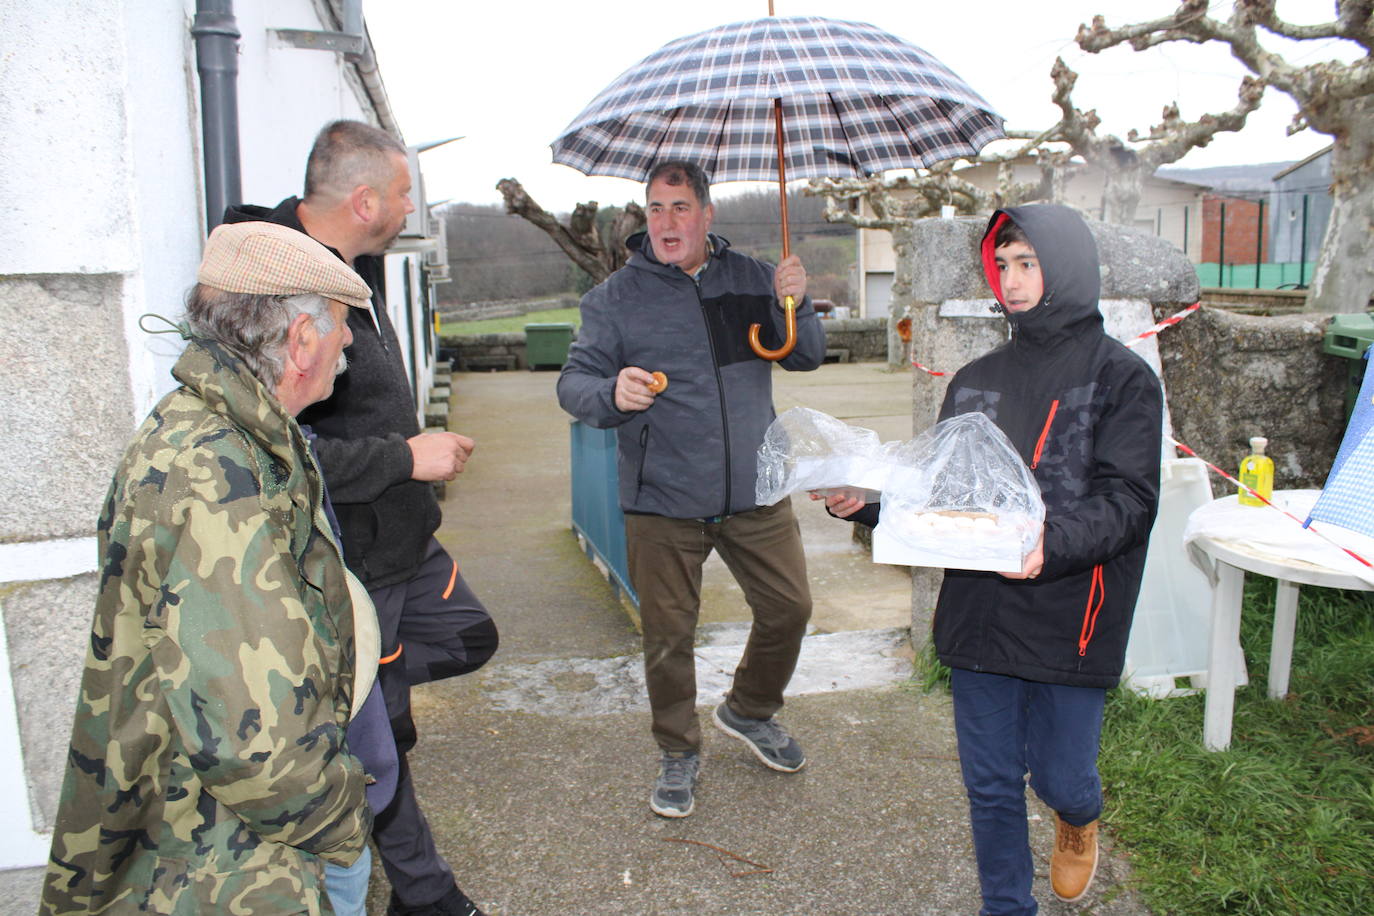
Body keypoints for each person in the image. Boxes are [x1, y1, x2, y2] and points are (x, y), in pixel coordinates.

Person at [826, 204, 1162, 915]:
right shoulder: (974, 379)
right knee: (989, 781)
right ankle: (1007, 906)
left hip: (1072, 614)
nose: (1011, 280)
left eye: (1028, 262)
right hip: (979, 614)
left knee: (1061, 778)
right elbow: (940, 495)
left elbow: (1130, 500)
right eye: (1002, 264)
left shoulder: (1123, 378)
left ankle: (1078, 815)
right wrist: (871, 504)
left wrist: (1050, 544)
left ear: (1066, 265)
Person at [41, 221, 379, 914]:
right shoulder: (215, 474)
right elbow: (258, 751)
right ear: (302, 340)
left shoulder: (222, 431)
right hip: (230, 864)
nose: (348, 341)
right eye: (342, 324)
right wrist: (342, 817)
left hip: (212, 836)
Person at [225, 120, 498, 916]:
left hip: (403, 546)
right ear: (365, 198)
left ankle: (353, 710)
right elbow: (276, 450)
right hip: (351, 561)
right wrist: (406, 459)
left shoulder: (349, 263)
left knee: (466, 638)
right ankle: (424, 893)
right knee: (379, 744)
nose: (413, 205)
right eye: (405, 192)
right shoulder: (277, 289)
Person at [557, 160, 826, 819]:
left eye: (680, 208)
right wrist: (611, 393)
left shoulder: (755, 278)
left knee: (790, 608)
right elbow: (575, 385)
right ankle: (678, 750)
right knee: (669, 635)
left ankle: (750, 709)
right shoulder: (614, 299)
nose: (666, 222)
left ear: (707, 214)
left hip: (755, 488)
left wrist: (797, 298)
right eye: (655, 209)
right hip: (664, 499)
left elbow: (804, 354)